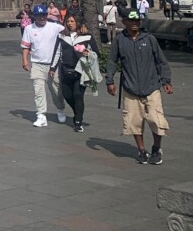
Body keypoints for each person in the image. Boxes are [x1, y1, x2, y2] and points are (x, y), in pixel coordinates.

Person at [106, 9, 173, 165]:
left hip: (151, 87)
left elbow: (161, 61)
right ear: (124, 22)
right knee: (134, 122)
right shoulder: (119, 40)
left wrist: (166, 81)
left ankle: (156, 148)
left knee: (157, 120)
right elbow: (112, 61)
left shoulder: (149, 39)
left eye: (138, 21)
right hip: (130, 88)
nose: (135, 23)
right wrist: (109, 81)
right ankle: (141, 150)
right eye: (131, 21)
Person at [50, 15, 100, 132]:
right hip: (65, 70)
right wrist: (52, 68)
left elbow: (96, 53)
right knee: (67, 95)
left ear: (78, 22)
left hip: (80, 70)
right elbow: (57, 52)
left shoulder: (86, 36)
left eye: (72, 21)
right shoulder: (62, 36)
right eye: (68, 21)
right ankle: (77, 112)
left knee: (78, 95)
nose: (70, 23)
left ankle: (78, 122)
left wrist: (86, 52)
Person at [21, 4, 66, 127]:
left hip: (53, 65)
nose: (41, 18)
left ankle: (60, 109)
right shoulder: (29, 29)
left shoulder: (55, 27)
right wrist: (25, 60)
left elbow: (68, 31)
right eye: (39, 16)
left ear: (47, 15)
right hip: (37, 63)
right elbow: (25, 46)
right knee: (38, 90)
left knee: (56, 90)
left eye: (43, 15)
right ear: (34, 17)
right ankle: (41, 115)